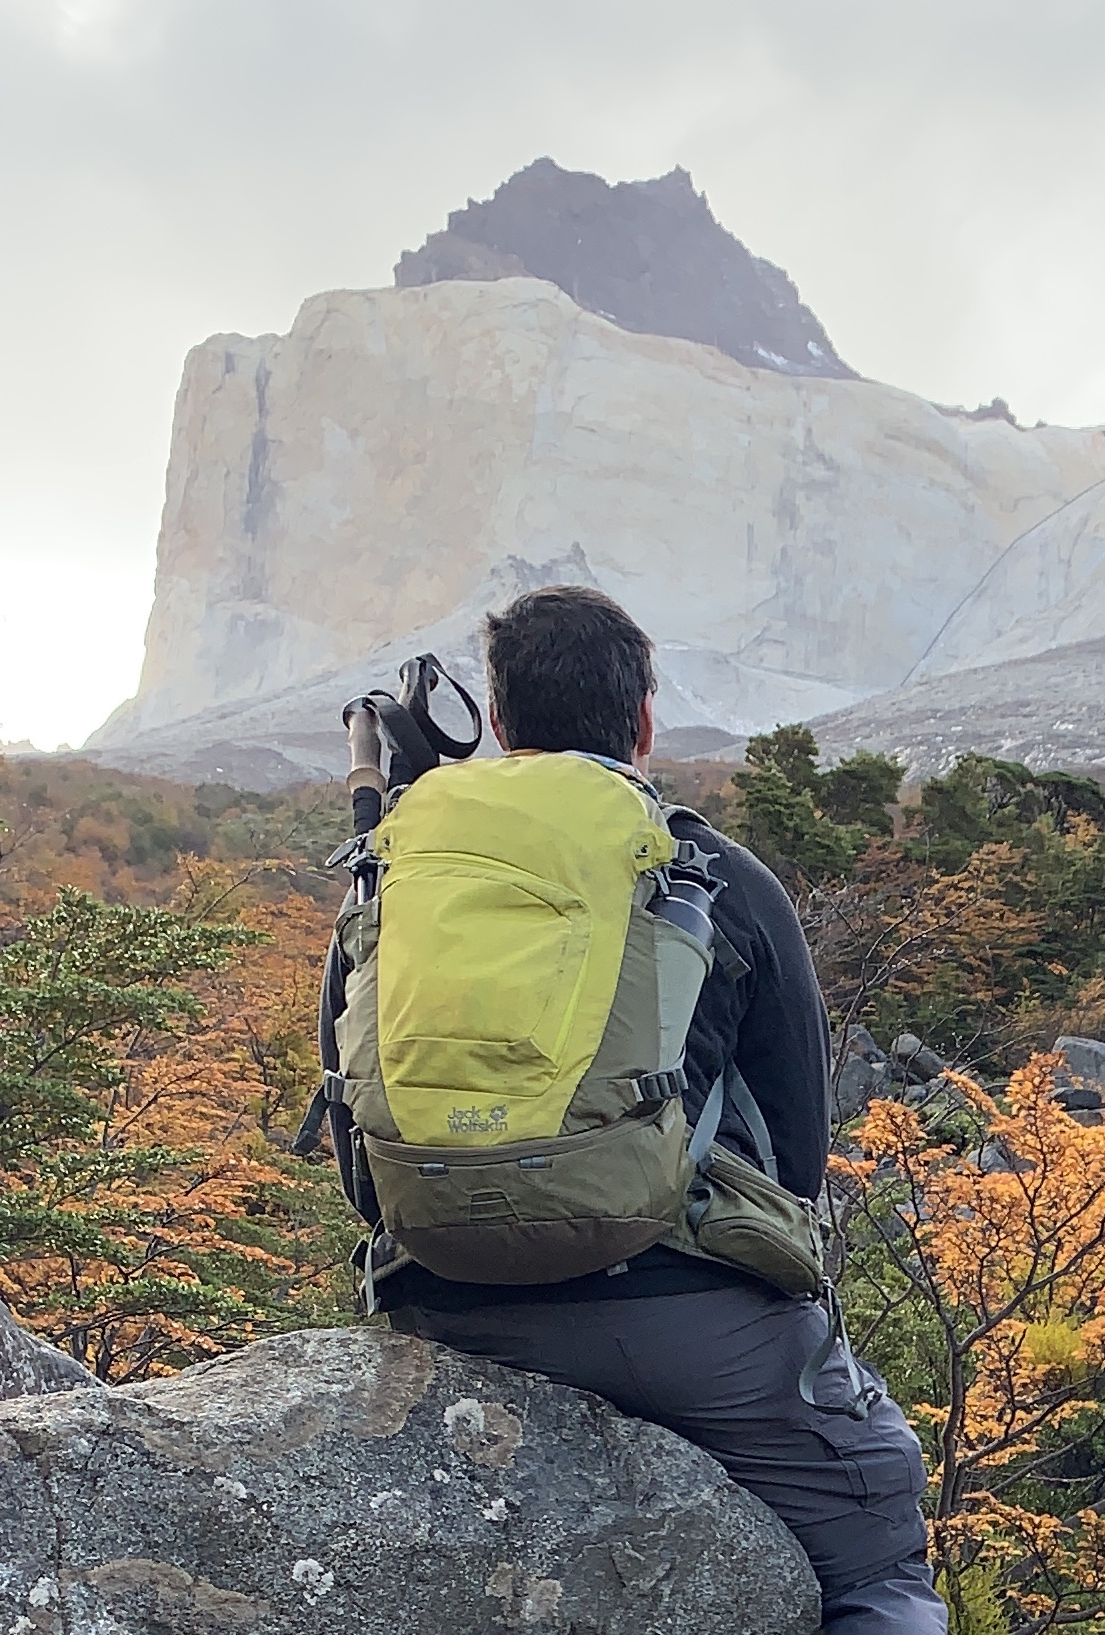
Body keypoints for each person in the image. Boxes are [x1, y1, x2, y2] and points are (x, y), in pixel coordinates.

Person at [375, 584, 948, 1635]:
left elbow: (353, 1134)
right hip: (680, 1315)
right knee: (878, 1536)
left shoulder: (400, 873)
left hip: (442, 1297)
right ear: (643, 720)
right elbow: (798, 1161)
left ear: (498, 722)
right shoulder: (717, 872)